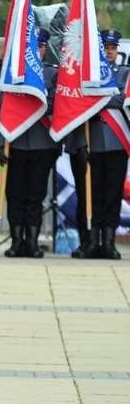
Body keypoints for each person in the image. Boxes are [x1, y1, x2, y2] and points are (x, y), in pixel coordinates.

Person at [0, 28, 59, 258]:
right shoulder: (11, 70)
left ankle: (32, 242)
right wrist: (1, 143)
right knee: (16, 194)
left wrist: (30, 96)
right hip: (15, 141)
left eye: (40, 46)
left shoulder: (52, 73)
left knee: (36, 195)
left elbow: (54, 104)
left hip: (43, 142)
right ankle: (16, 241)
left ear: (44, 48)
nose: (37, 49)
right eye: (33, 45)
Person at [66, 29, 128, 260]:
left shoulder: (124, 73)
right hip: (88, 142)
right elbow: (76, 103)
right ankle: (90, 242)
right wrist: (80, 144)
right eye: (105, 48)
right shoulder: (83, 75)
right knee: (88, 195)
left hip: (116, 143)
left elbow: (123, 99)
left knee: (112, 194)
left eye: (113, 48)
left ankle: (109, 244)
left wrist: (96, 96)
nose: (109, 51)